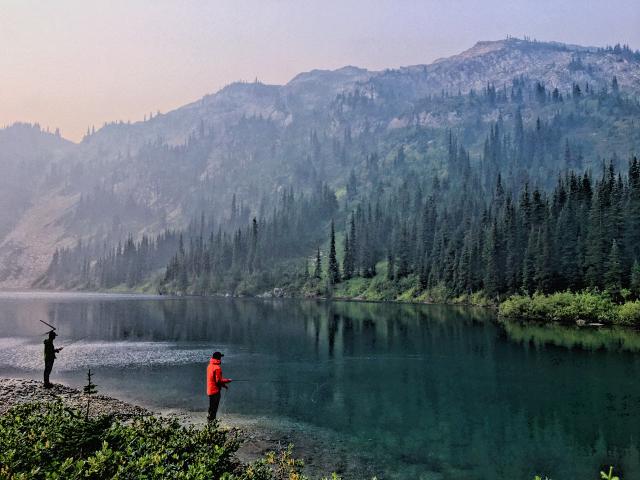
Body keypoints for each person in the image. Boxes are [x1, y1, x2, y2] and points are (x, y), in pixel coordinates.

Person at [206, 351, 232, 421]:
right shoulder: (217, 368)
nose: (221, 359)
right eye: (220, 357)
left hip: (209, 390)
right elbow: (218, 381)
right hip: (215, 392)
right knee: (214, 409)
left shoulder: (209, 366)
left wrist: (224, 386)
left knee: (211, 407)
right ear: (218, 358)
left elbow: (214, 380)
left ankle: (209, 422)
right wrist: (228, 380)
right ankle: (212, 424)